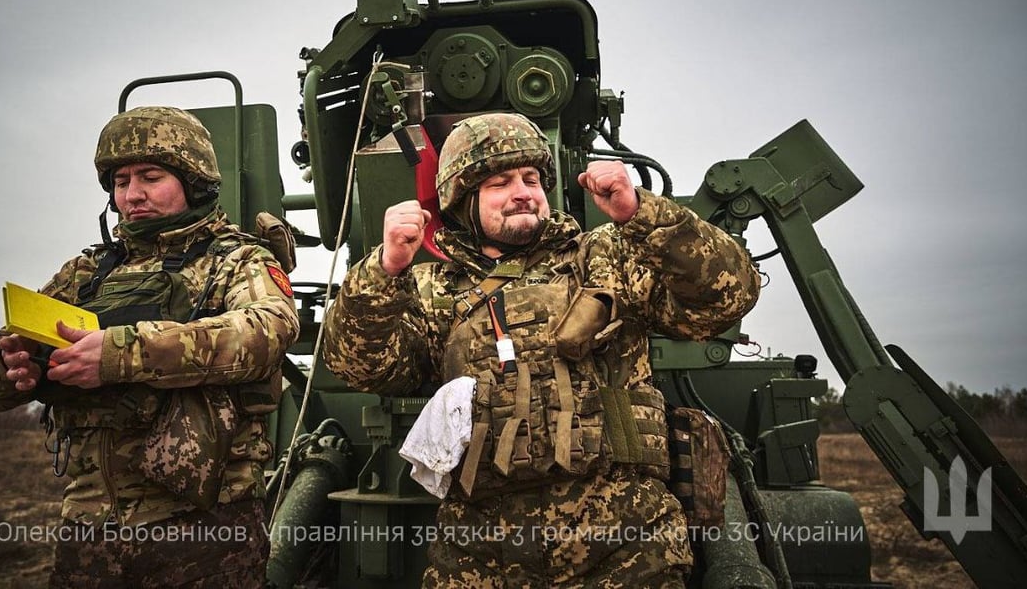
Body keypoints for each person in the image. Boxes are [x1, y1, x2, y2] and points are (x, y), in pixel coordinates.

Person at [322, 113, 760, 588]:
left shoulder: (605, 255)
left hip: (624, 543)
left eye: (532, 179)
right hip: (481, 552)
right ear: (461, 200)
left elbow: (726, 297)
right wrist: (384, 270)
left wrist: (643, 216)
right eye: (499, 182)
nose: (523, 191)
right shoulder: (432, 289)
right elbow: (362, 368)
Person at [0, 106, 299, 587]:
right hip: (89, 525)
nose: (133, 194)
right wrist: (10, 366)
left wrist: (121, 354)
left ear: (194, 182)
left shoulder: (236, 259)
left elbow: (267, 330)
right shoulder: (84, 274)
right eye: (121, 181)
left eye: (151, 176)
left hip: (204, 527)